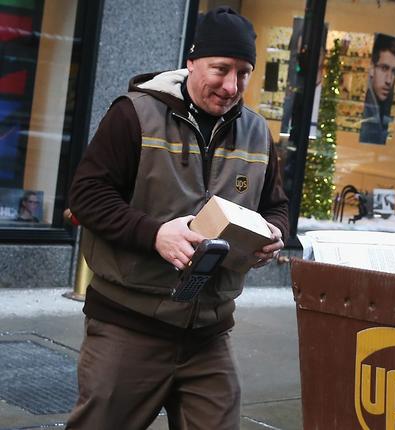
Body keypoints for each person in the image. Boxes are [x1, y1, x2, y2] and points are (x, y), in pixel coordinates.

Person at [66, 7, 288, 429]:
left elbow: (276, 205)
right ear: (190, 62)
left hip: (209, 334)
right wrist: (155, 235)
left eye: (243, 73)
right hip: (129, 326)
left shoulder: (258, 133)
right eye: (220, 68)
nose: (231, 85)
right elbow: (86, 196)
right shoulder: (134, 114)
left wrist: (275, 232)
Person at [359, 33, 395, 145]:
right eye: (384, 68)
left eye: (394, 72)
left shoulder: (383, 105)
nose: (389, 80)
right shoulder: (366, 106)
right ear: (372, 68)